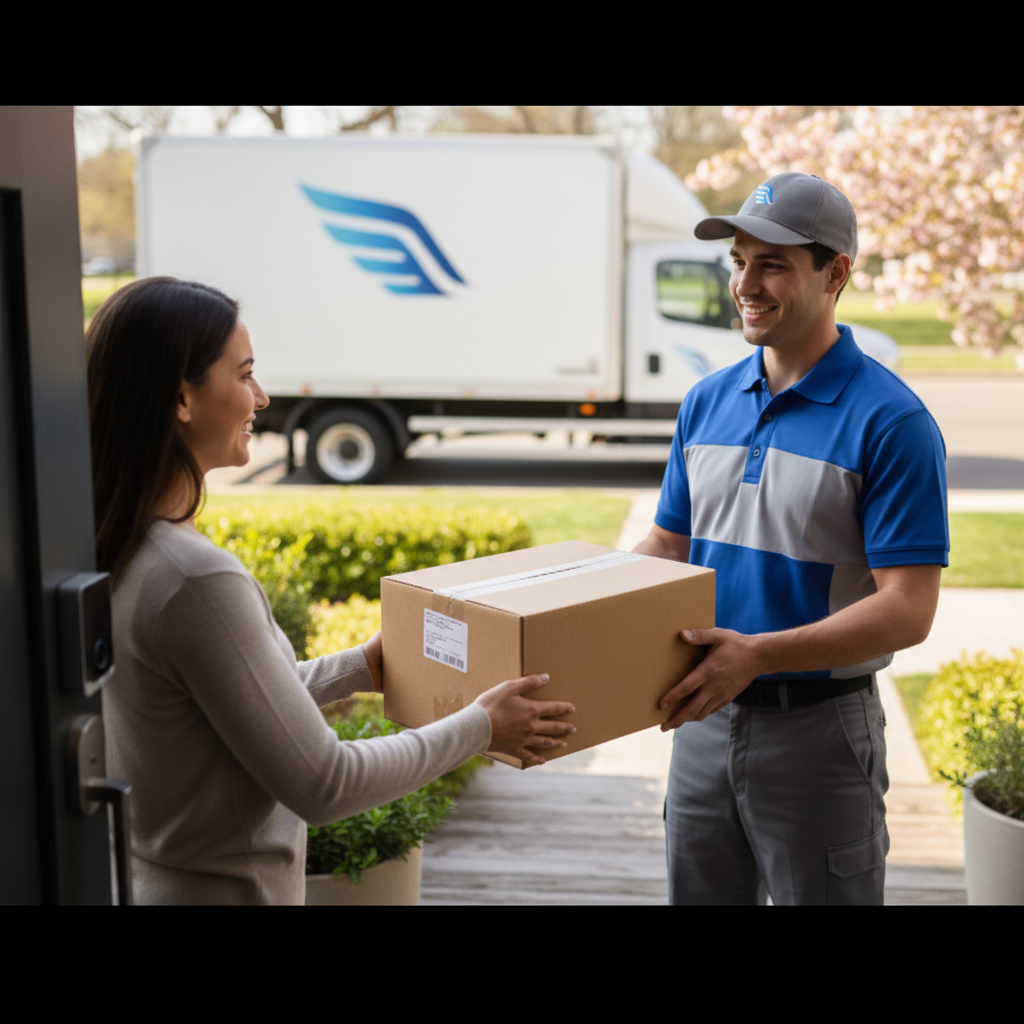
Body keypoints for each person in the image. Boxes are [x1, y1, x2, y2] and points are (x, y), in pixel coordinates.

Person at [88, 276, 576, 905]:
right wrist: (480, 727)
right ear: (182, 398)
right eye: (244, 375)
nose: (261, 397)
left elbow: (218, 712)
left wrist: (355, 668)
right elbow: (325, 782)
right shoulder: (194, 579)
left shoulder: (123, 544)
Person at [633, 172, 949, 905]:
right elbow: (668, 548)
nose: (746, 283)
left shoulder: (892, 422)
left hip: (820, 735)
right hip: (701, 720)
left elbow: (909, 608)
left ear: (835, 273)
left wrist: (760, 655)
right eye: (738, 261)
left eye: (772, 263)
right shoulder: (705, 402)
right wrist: (569, 610)